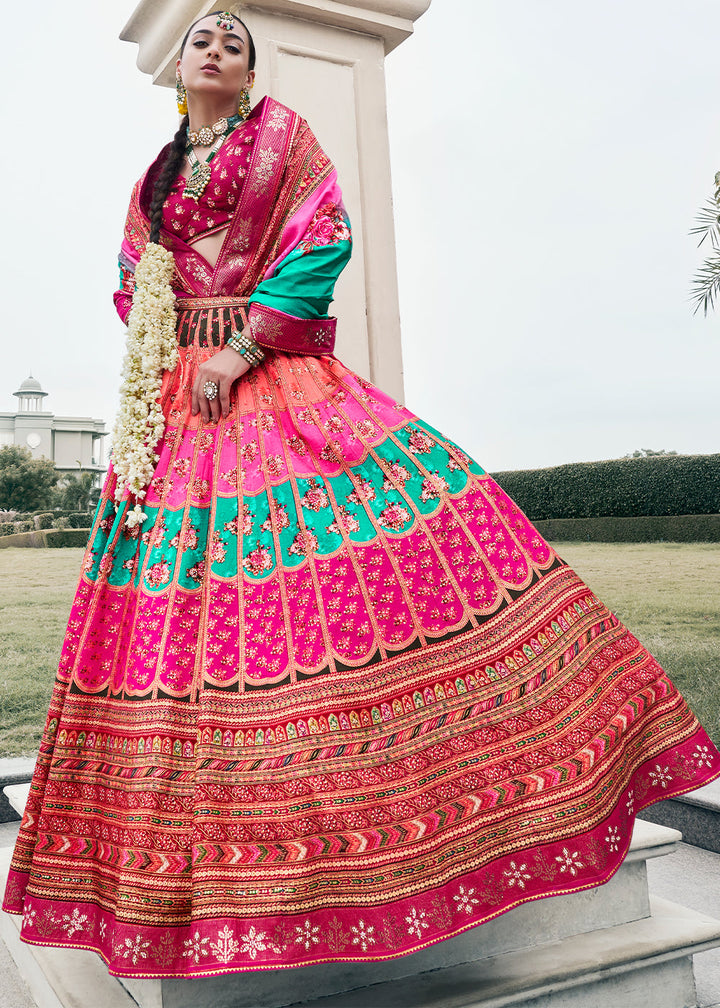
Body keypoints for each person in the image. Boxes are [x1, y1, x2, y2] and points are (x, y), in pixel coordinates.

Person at [3, 7, 719, 980]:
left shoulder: (284, 140)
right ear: (180, 65)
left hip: (263, 380)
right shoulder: (156, 177)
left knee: (342, 563)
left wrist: (243, 344)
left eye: (234, 43)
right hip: (175, 408)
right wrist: (176, 346)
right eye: (201, 39)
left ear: (251, 73)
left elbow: (323, 237)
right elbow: (133, 285)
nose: (213, 49)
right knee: (186, 613)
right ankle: (191, 852)